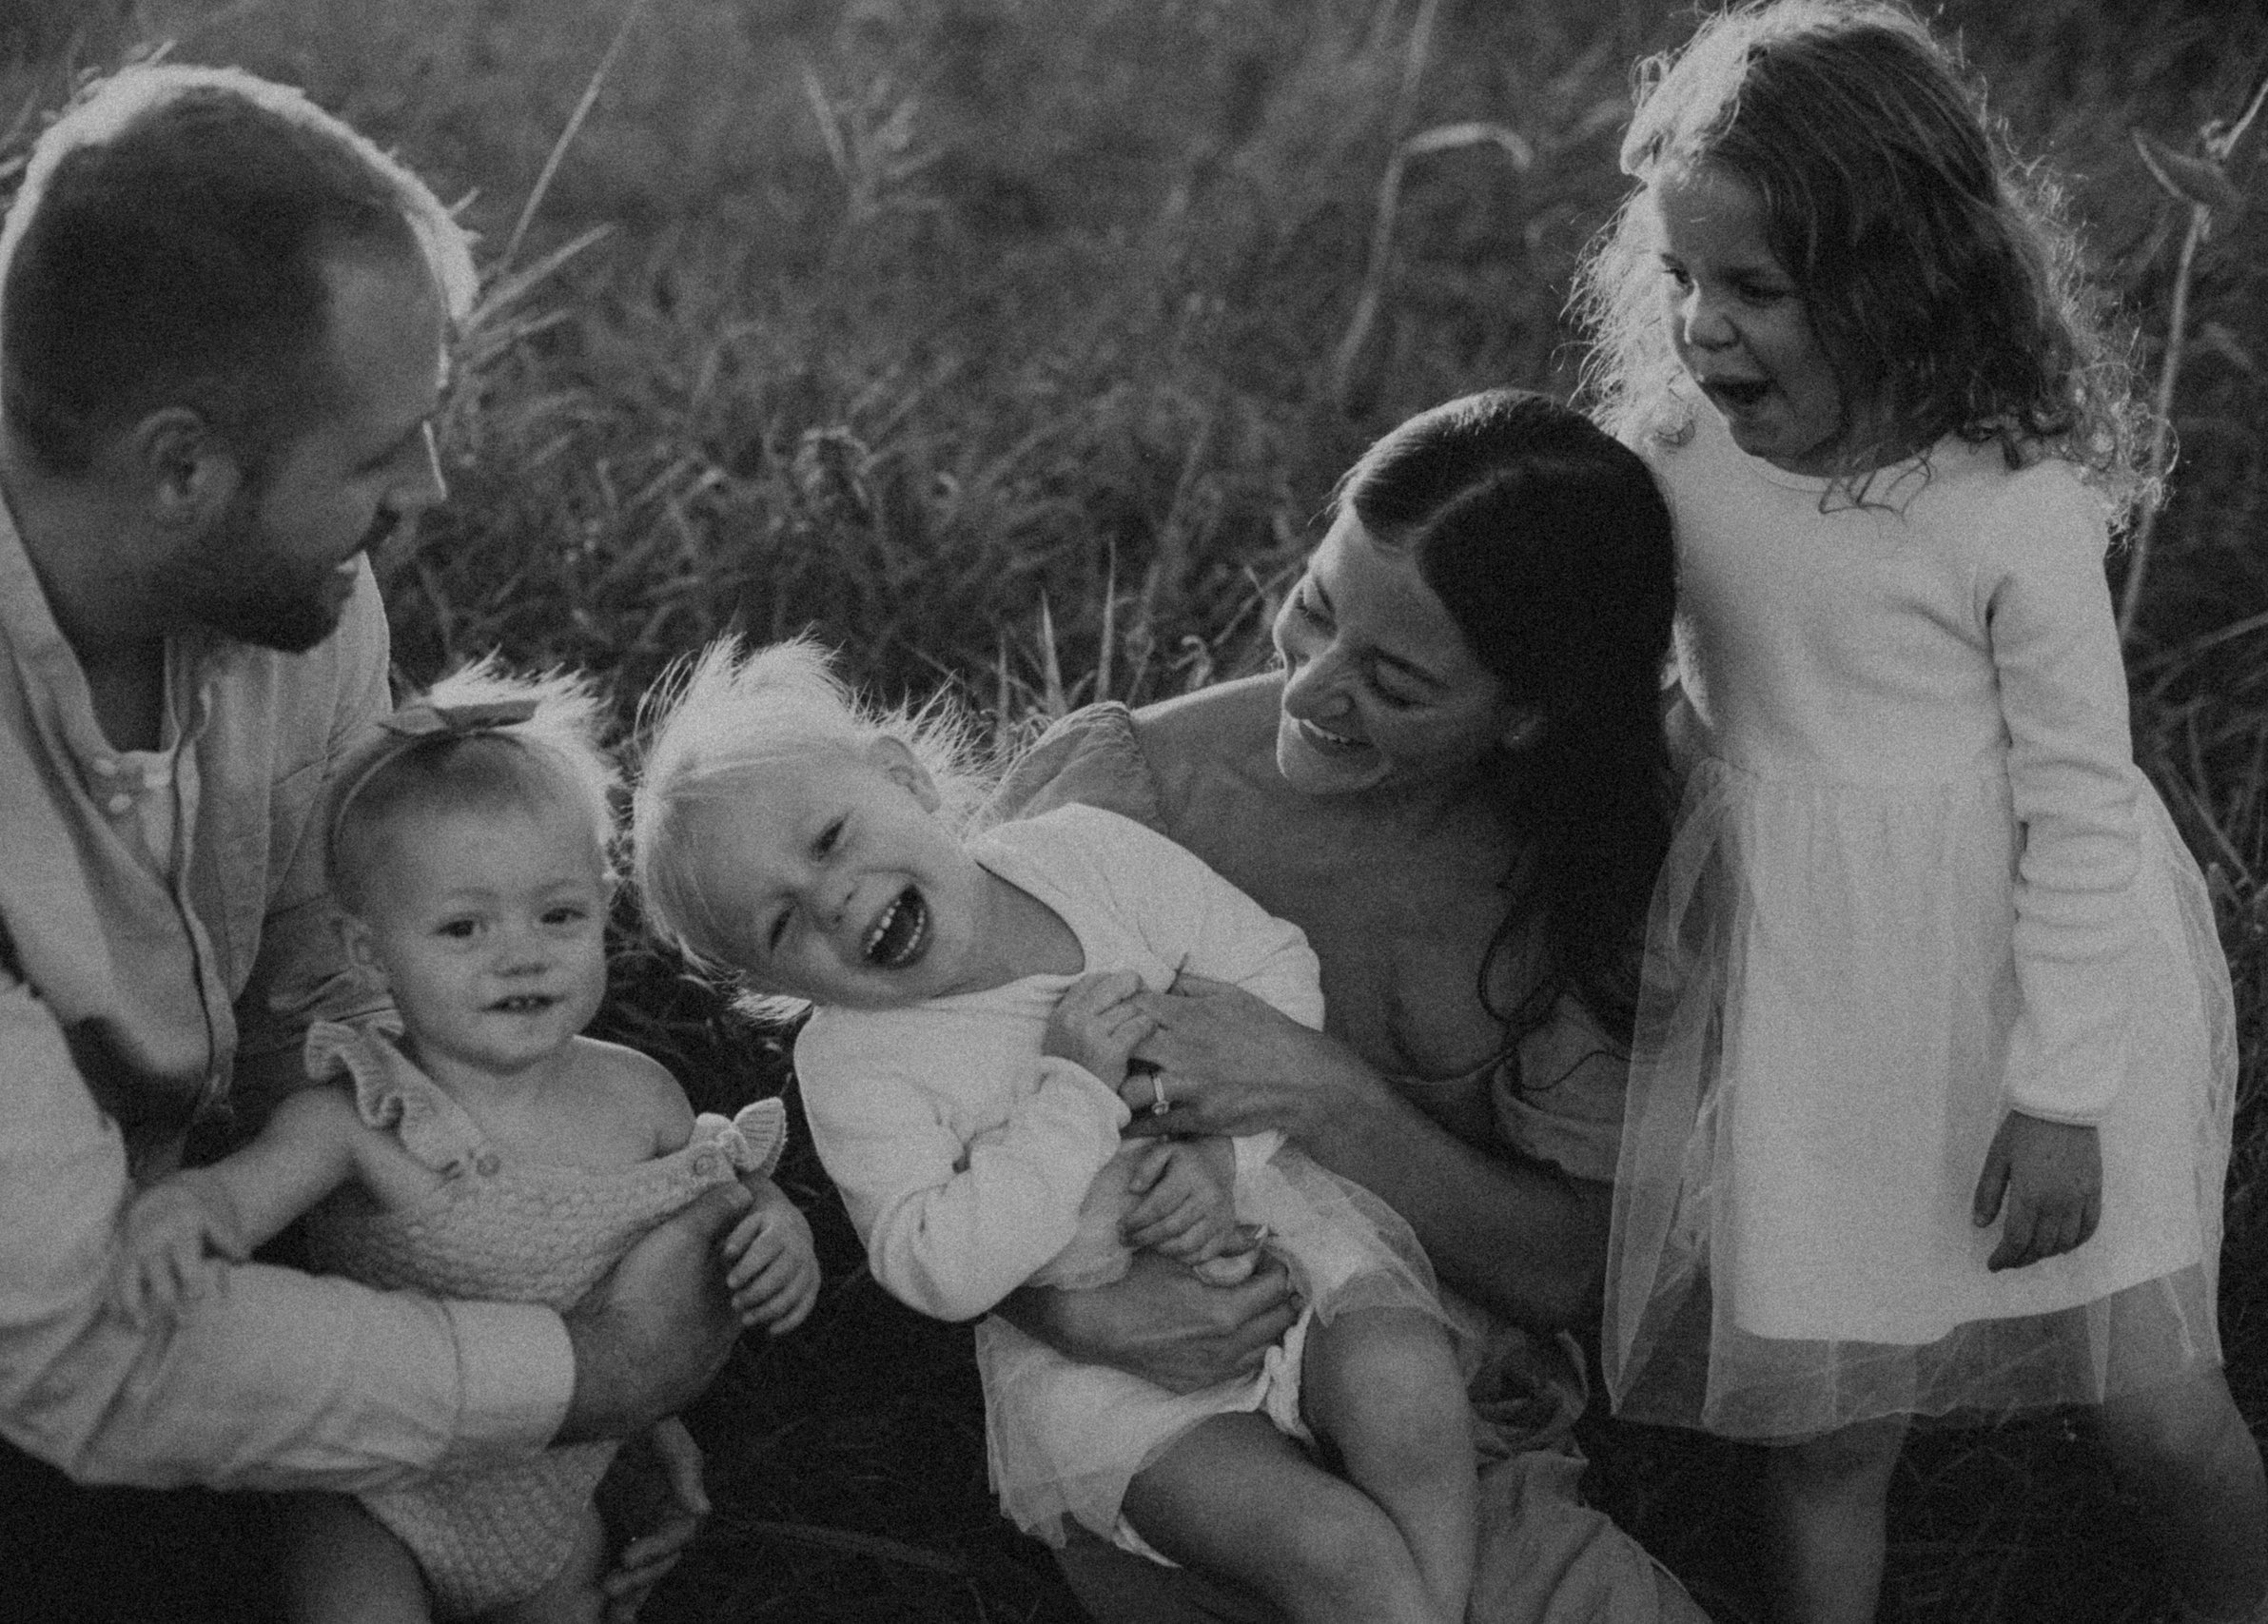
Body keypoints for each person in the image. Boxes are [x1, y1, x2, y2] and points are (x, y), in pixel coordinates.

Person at [0, 64, 743, 1623]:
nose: (430, 490)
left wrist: (525, 1354)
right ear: (179, 468)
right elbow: (77, 1354)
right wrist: (582, 1370)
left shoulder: (294, 587)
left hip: (187, 1204)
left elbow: (332, 993)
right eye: (381, 452)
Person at [1573, 4, 2268, 1621]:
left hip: (2037, 979)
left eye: (1754, 290)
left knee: (2159, 1414)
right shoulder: (1676, 456)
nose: (1702, 328)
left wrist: (2062, 1093)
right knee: (1825, 1435)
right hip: (1815, 998)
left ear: (1900, 280)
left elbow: (2083, 807)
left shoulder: (2006, 502)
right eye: (1678, 279)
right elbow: (1608, 660)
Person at [983, 389, 1704, 1622]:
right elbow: (934, 1146)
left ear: (1526, 715)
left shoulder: (1580, 876)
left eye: (1397, 681)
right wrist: (1084, 1310)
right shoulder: (1121, 799)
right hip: (1177, 1423)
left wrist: (1321, 1091)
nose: (1311, 688)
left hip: (1455, 1439)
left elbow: (1563, 1267)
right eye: (1314, 607)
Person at [629, 635, 1483, 1622]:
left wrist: (1217, 1151)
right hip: (1109, 1372)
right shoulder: (855, 1062)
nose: (833, 897)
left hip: (1281, 1238)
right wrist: (1073, 1098)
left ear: (902, 779)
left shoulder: (1085, 855)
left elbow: (1277, 971)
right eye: (780, 925)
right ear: (771, 987)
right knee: (1331, 1552)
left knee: (1406, 1391)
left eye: (828, 840)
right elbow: (932, 1265)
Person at [113, 662, 819, 1622]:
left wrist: (776, 1229)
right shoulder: (361, 1112)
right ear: (365, 953)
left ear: (605, 908)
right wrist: (188, 1213)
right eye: (462, 927)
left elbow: (715, 1197)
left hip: (551, 1503)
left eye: (557, 914)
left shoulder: (640, 1094)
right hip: (372, 1497)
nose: (519, 952)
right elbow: (244, 1194)